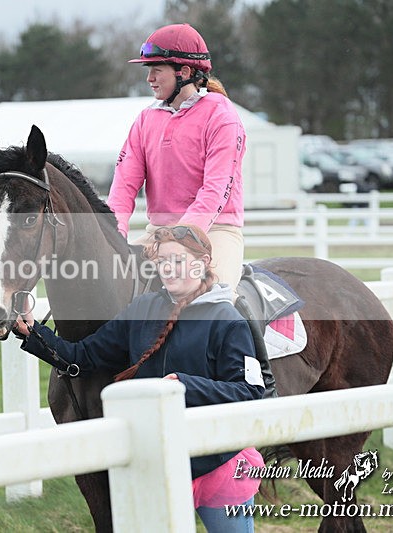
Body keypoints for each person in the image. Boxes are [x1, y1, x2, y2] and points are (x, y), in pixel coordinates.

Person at [14, 225, 265, 531]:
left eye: (177, 260)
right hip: (156, 466)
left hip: (219, 465)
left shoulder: (228, 320)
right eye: (162, 261)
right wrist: (33, 332)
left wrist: (185, 386)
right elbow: (84, 355)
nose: (168, 269)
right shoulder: (143, 309)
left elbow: (249, 392)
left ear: (202, 262)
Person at [107, 23, 247, 294]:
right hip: (158, 233)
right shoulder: (146, 119)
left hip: (214, 233)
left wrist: (179, 238)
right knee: (103, 283)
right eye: (148, 71)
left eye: (156, 70)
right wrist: (114, 232)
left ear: (184, 72)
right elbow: (123, 185)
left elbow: (215, 189)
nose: (149, 78)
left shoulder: (222, 117)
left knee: (213, 302)